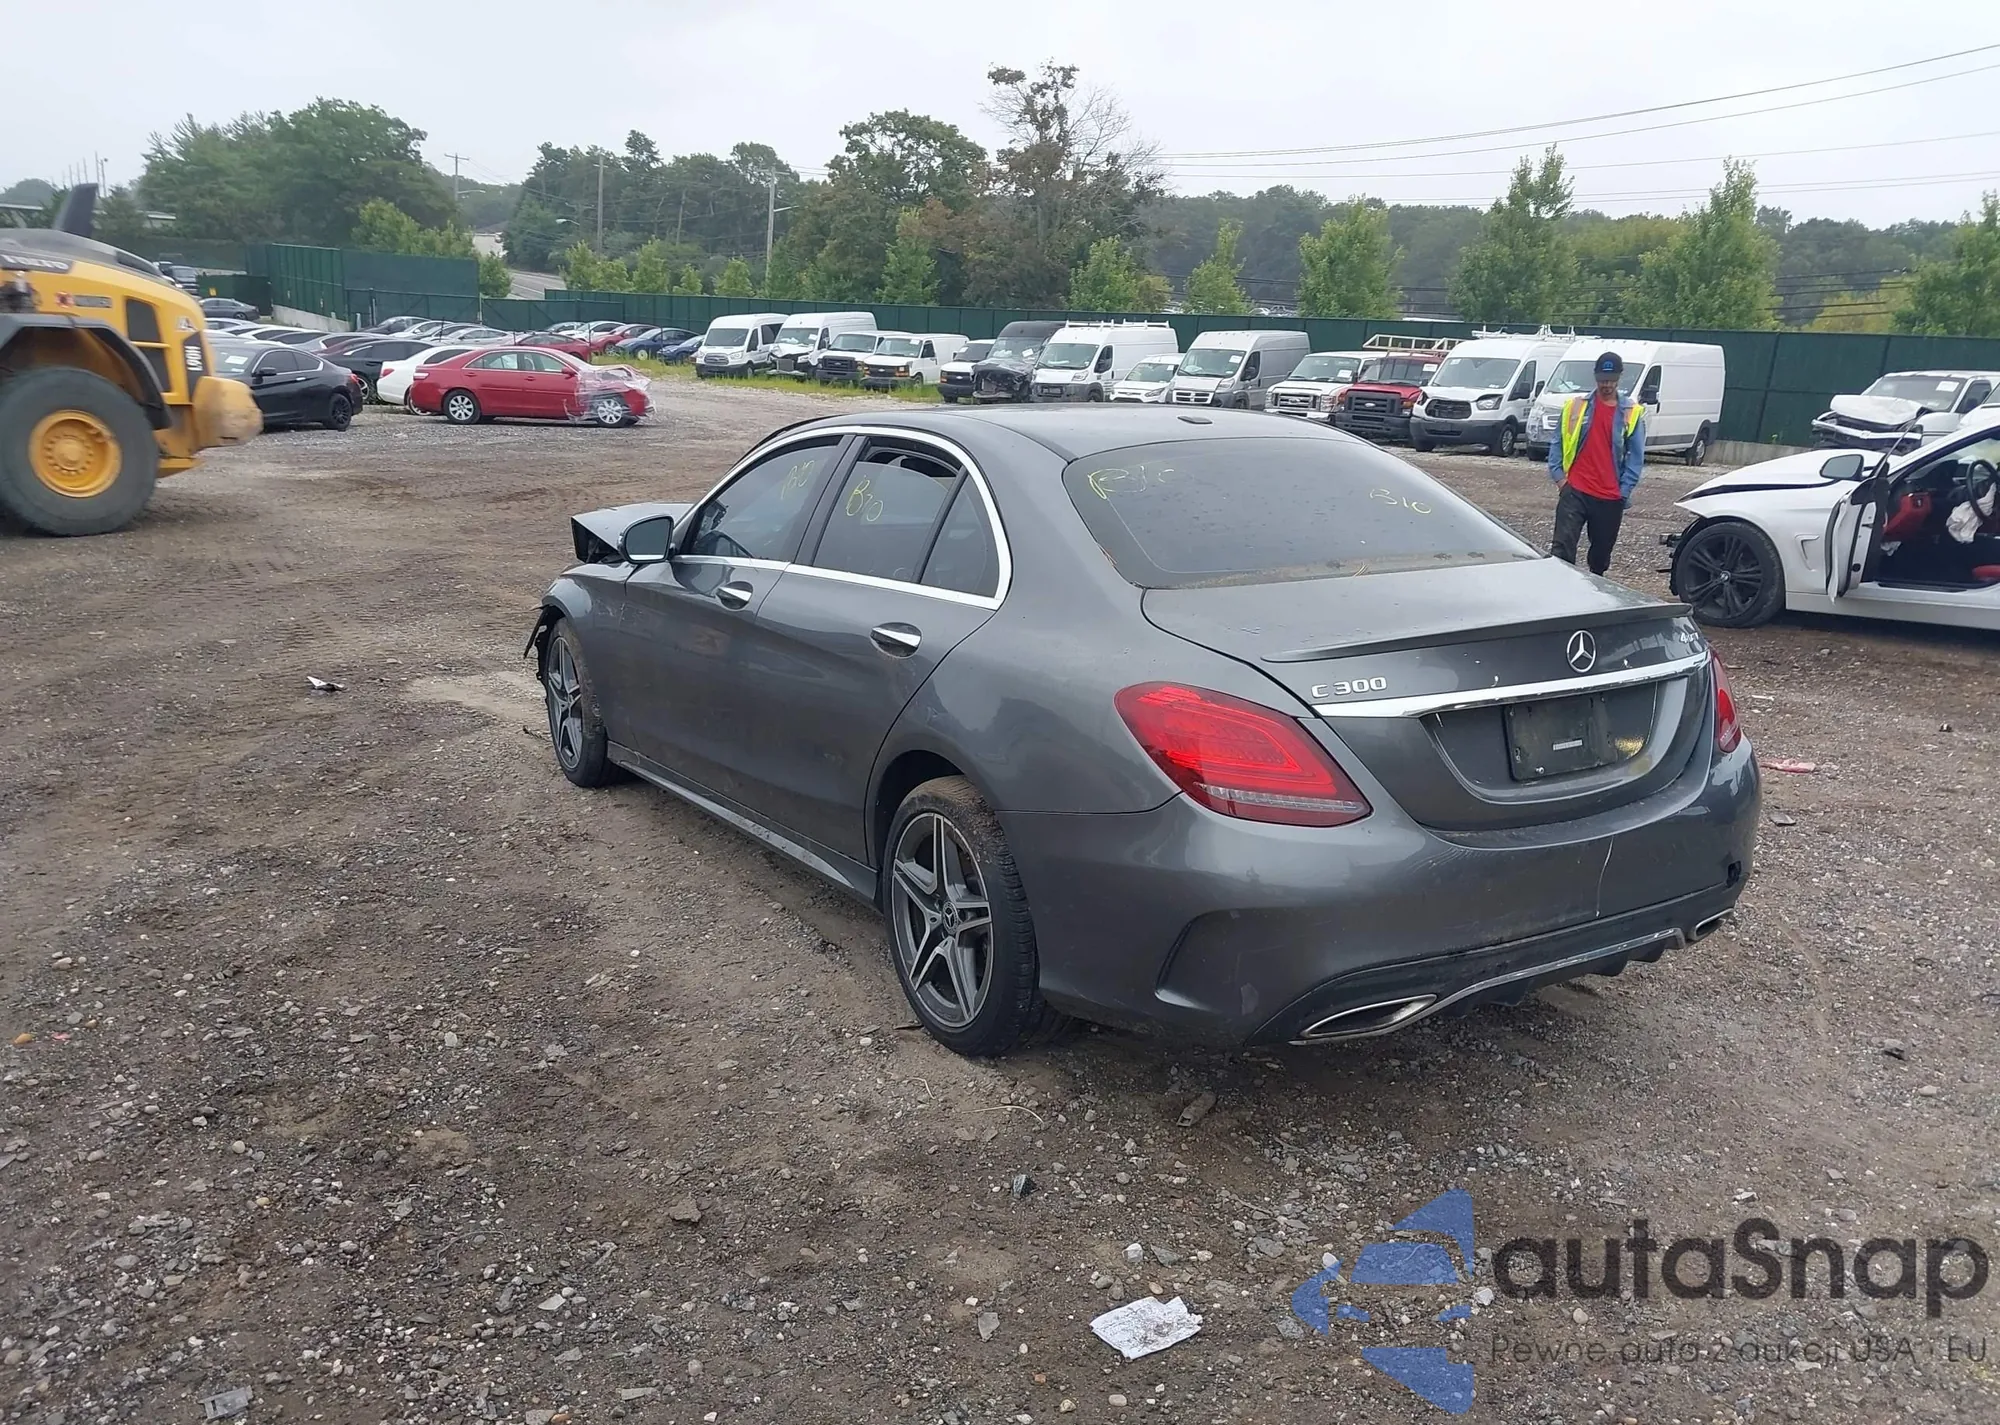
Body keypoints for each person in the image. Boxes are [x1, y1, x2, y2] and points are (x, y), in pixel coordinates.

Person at [1547, 351, 1646, 575]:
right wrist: (1560, 478)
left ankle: (1593, 591)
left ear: (1619, 378)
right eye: (1602, 379)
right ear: (1595, 377)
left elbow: (1636, 457)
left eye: (1611, 380)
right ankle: (1559, 589)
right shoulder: (1575, 407)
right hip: (1575, 490)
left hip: (1610, 497)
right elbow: (1558, 441)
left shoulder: (1631, 413)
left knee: (1599, 559)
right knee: (1561, 551)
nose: (1606, 385)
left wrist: (1623, 491)